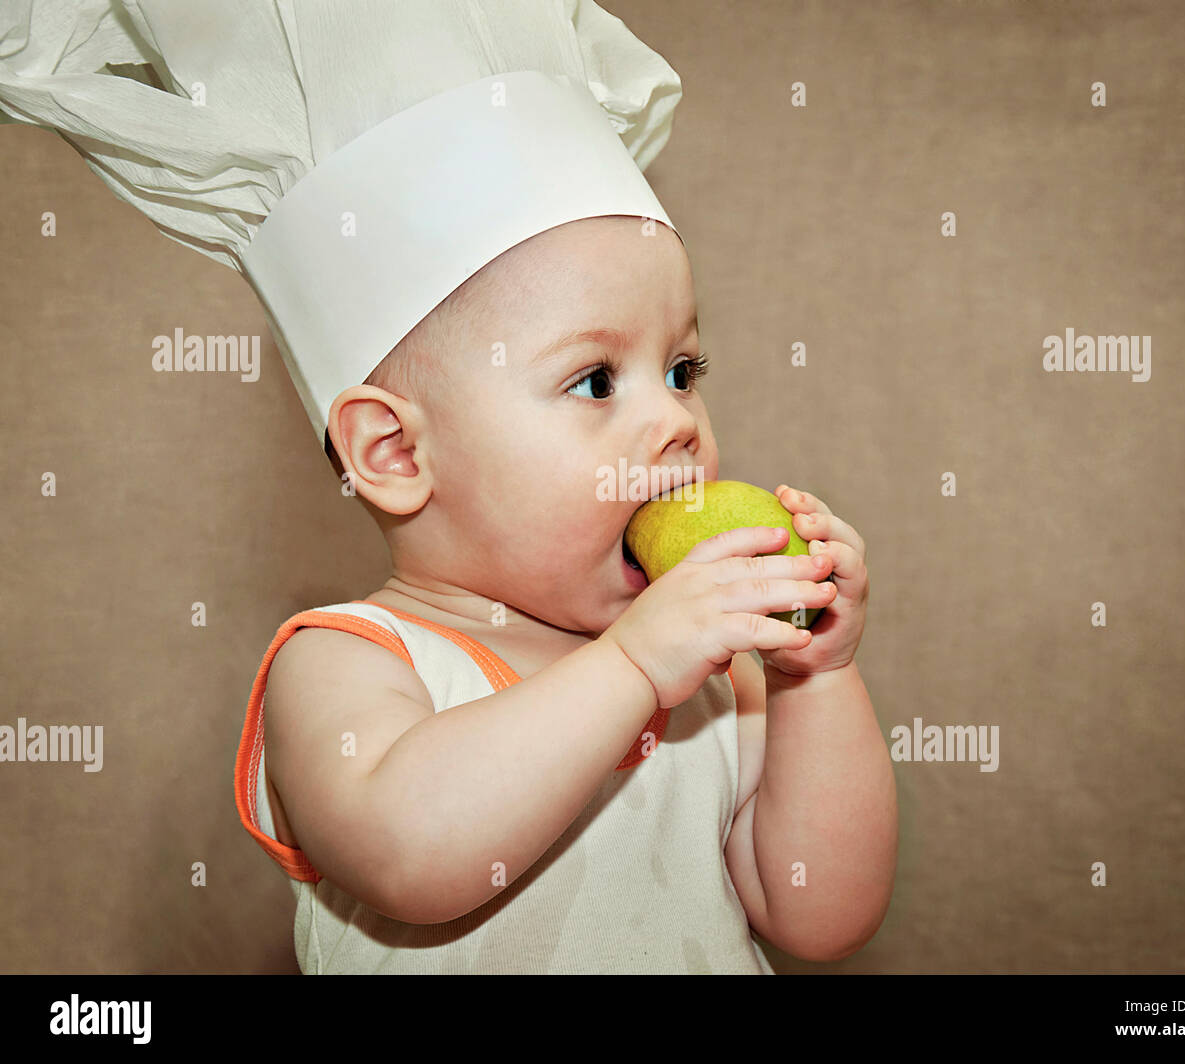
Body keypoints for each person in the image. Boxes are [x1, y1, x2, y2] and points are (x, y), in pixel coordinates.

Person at [3, 0, 897, 973]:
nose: (676, 420)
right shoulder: (347, 664)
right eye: (595, 379)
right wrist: (638, 664)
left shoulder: (715, 682)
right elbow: (411, 854)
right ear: (392, 453)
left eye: (683, 370)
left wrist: (818, 675)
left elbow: (820, 913)